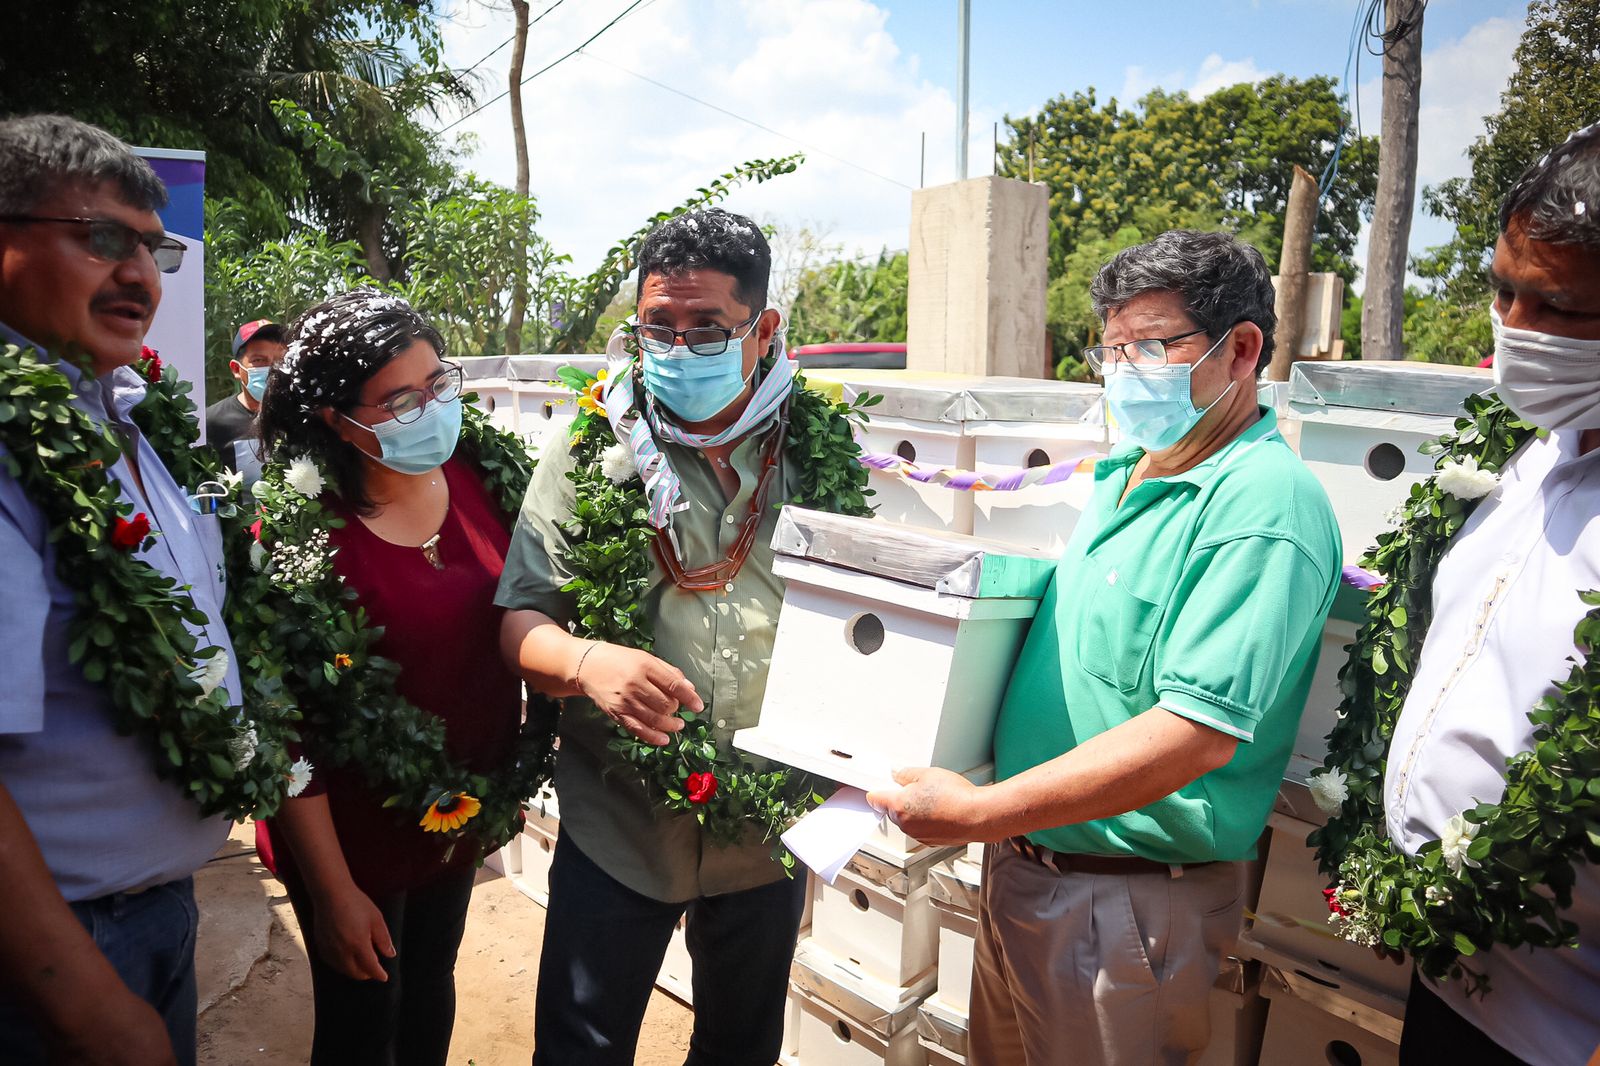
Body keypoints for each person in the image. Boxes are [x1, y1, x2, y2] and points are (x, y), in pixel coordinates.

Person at [869, 230, 1342, 1066]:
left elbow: (1194, 732)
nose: (1125, 372)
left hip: (1124, 909)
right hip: (1030, 867)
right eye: (1113, 350)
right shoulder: (1133, 471)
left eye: (1152, 347)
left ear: (1241, 350)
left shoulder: (1262, 505)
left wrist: (977, 812)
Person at [497, 208, 810, 1065]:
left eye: (706, 327)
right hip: (619, 823)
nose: (675, 348)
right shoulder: (588, 444)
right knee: (581, 1049)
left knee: (741, 1047)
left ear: (763, 328)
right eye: (656, 326)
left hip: (765, 829)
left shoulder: (814, 451)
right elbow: (520, 622)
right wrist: (587, 662)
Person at [0, 114, 235, 1065]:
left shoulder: (136, 426)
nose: (138, 276)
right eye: (102, 239)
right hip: (51, 954)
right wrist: (86, 1004)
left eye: (154, 248)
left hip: (156, 912)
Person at [253, 290, 524, 1065]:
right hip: (348, 833)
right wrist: (334, 890)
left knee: (431, 984)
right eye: (402, 399)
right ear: (340, 420)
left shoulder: (480, 474)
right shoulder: (304, 533)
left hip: (455, 809)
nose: (432, 410)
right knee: (363, 1017)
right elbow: (286, 729)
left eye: (439, 384)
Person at [1383, 123, 1600, 1066]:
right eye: (1503, 288)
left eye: (1552, 304)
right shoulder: (1528, 458)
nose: (1514, 327)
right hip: (1452, 979)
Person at [205, 317, 285, 478]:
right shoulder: (212, 422)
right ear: (236, 369)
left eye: (280, 360)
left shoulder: (301, 418)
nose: (272, 369)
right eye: (259, 361)